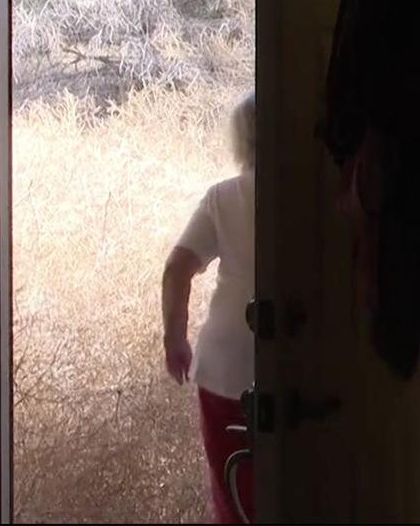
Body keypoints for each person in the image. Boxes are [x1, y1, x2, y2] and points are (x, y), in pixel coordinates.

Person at [161, 91, 256, 524]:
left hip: (223, 368)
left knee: (232, 496)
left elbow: (178, 268)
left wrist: (175, 339)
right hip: (299, 365)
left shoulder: (223, 197)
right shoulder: (312, 196)